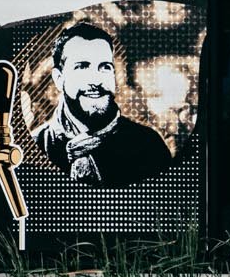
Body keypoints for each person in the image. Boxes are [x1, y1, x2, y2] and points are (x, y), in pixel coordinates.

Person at [32, 20, 173, 184]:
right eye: (82, 67)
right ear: (58, 78)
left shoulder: (148, 146)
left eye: (105, 67)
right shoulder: (35, 146)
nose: (95, 81)